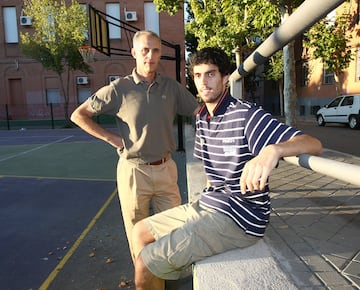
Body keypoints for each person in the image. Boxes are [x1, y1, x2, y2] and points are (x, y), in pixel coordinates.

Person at [131, 47, 323, 290]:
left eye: (211, 74)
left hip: (240, 217)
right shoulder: (201, 117)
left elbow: (313, 144)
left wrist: (272, 150)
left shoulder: (246, 115)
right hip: (210, 204)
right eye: (198, 76)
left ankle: (152, 272)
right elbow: (212, 173)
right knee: (139, 232)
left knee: (145, 263)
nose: (204, 82)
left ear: (225, 78)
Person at [70, 30, 198, 260]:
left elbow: (199, 110)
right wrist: (112, 139)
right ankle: (147, 281)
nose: (150, 55)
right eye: (145, 50)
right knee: (137, 234)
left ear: (160, 54)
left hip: (166, 169)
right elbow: (79, 115)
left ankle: (166, 276)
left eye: (156, 50)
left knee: (173, 230)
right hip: (133, 172)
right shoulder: (119, 89)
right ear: (134, 53)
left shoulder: (171, 87)